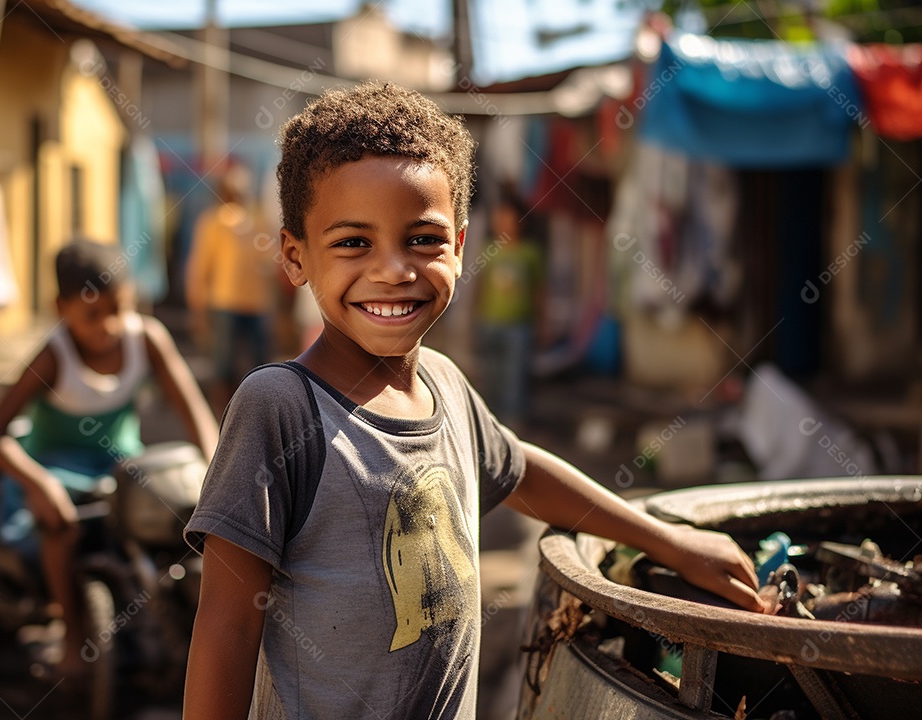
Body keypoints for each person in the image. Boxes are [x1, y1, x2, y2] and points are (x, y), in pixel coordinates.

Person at [181, 82, 766, 720]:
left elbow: (520, 471)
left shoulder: (444, 384)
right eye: (353, 242)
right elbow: (227, 628)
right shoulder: (280, 408)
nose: (394, 271)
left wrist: (670, 542)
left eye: (423, 240)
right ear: (295, 258)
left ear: (461, 246)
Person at [0, 238, 219, 677]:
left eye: (120, 309)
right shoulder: (54, 357)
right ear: (61, 307)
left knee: (179, 522)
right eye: (93, 314)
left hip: (123, 469)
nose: (109, 324)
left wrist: (214, 471)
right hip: (54, 472)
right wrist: (40, 483)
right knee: (60, 525)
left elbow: (196, 414)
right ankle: (71, 637)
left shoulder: (146, 339)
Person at [185, 162, 276, 415]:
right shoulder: (213, 222)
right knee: (223, 365)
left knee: (260, 364)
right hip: (224, 305)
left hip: (257, 305)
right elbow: (199, 269)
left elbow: (271, 262)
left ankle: (258, 412)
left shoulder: (257, 220)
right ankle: (224, 416)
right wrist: (197, 308)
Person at [474, 191, 544, 428]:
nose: (502, 224)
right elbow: (480, 286)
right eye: (499, 219)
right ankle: (490, 423)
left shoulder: (530, 254)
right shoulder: (489, 249)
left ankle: (513, 425)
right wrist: (478, 316)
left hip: (519, 325)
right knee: (492, 373)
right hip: (491, 322)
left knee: (515, 376)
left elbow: (538, 290)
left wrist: (542, 323)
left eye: (508, 219)